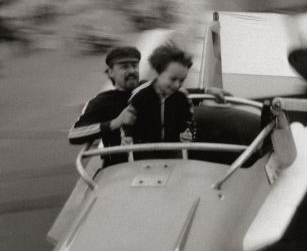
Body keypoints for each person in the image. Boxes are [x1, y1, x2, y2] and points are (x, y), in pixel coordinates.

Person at [68, 44, 227, 165]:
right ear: (110, 72)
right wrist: (115, 123)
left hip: (166, 163)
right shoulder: (101, 101)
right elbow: (75, 134)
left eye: (134, 65)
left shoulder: (149, 89)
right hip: (120, 168)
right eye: (124, 67)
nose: (131, 71)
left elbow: (177, 91)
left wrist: (207, 90)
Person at [127, 42, 195, 145]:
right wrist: (127, 138)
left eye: (182, 80)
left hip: (174, 148)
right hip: (143, 150)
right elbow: (127, 124)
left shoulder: (183, 96)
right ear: (158, 72)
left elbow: (189, 121)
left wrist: (188, 133)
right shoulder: (139, 96)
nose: (177, 85)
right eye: (173, 79)